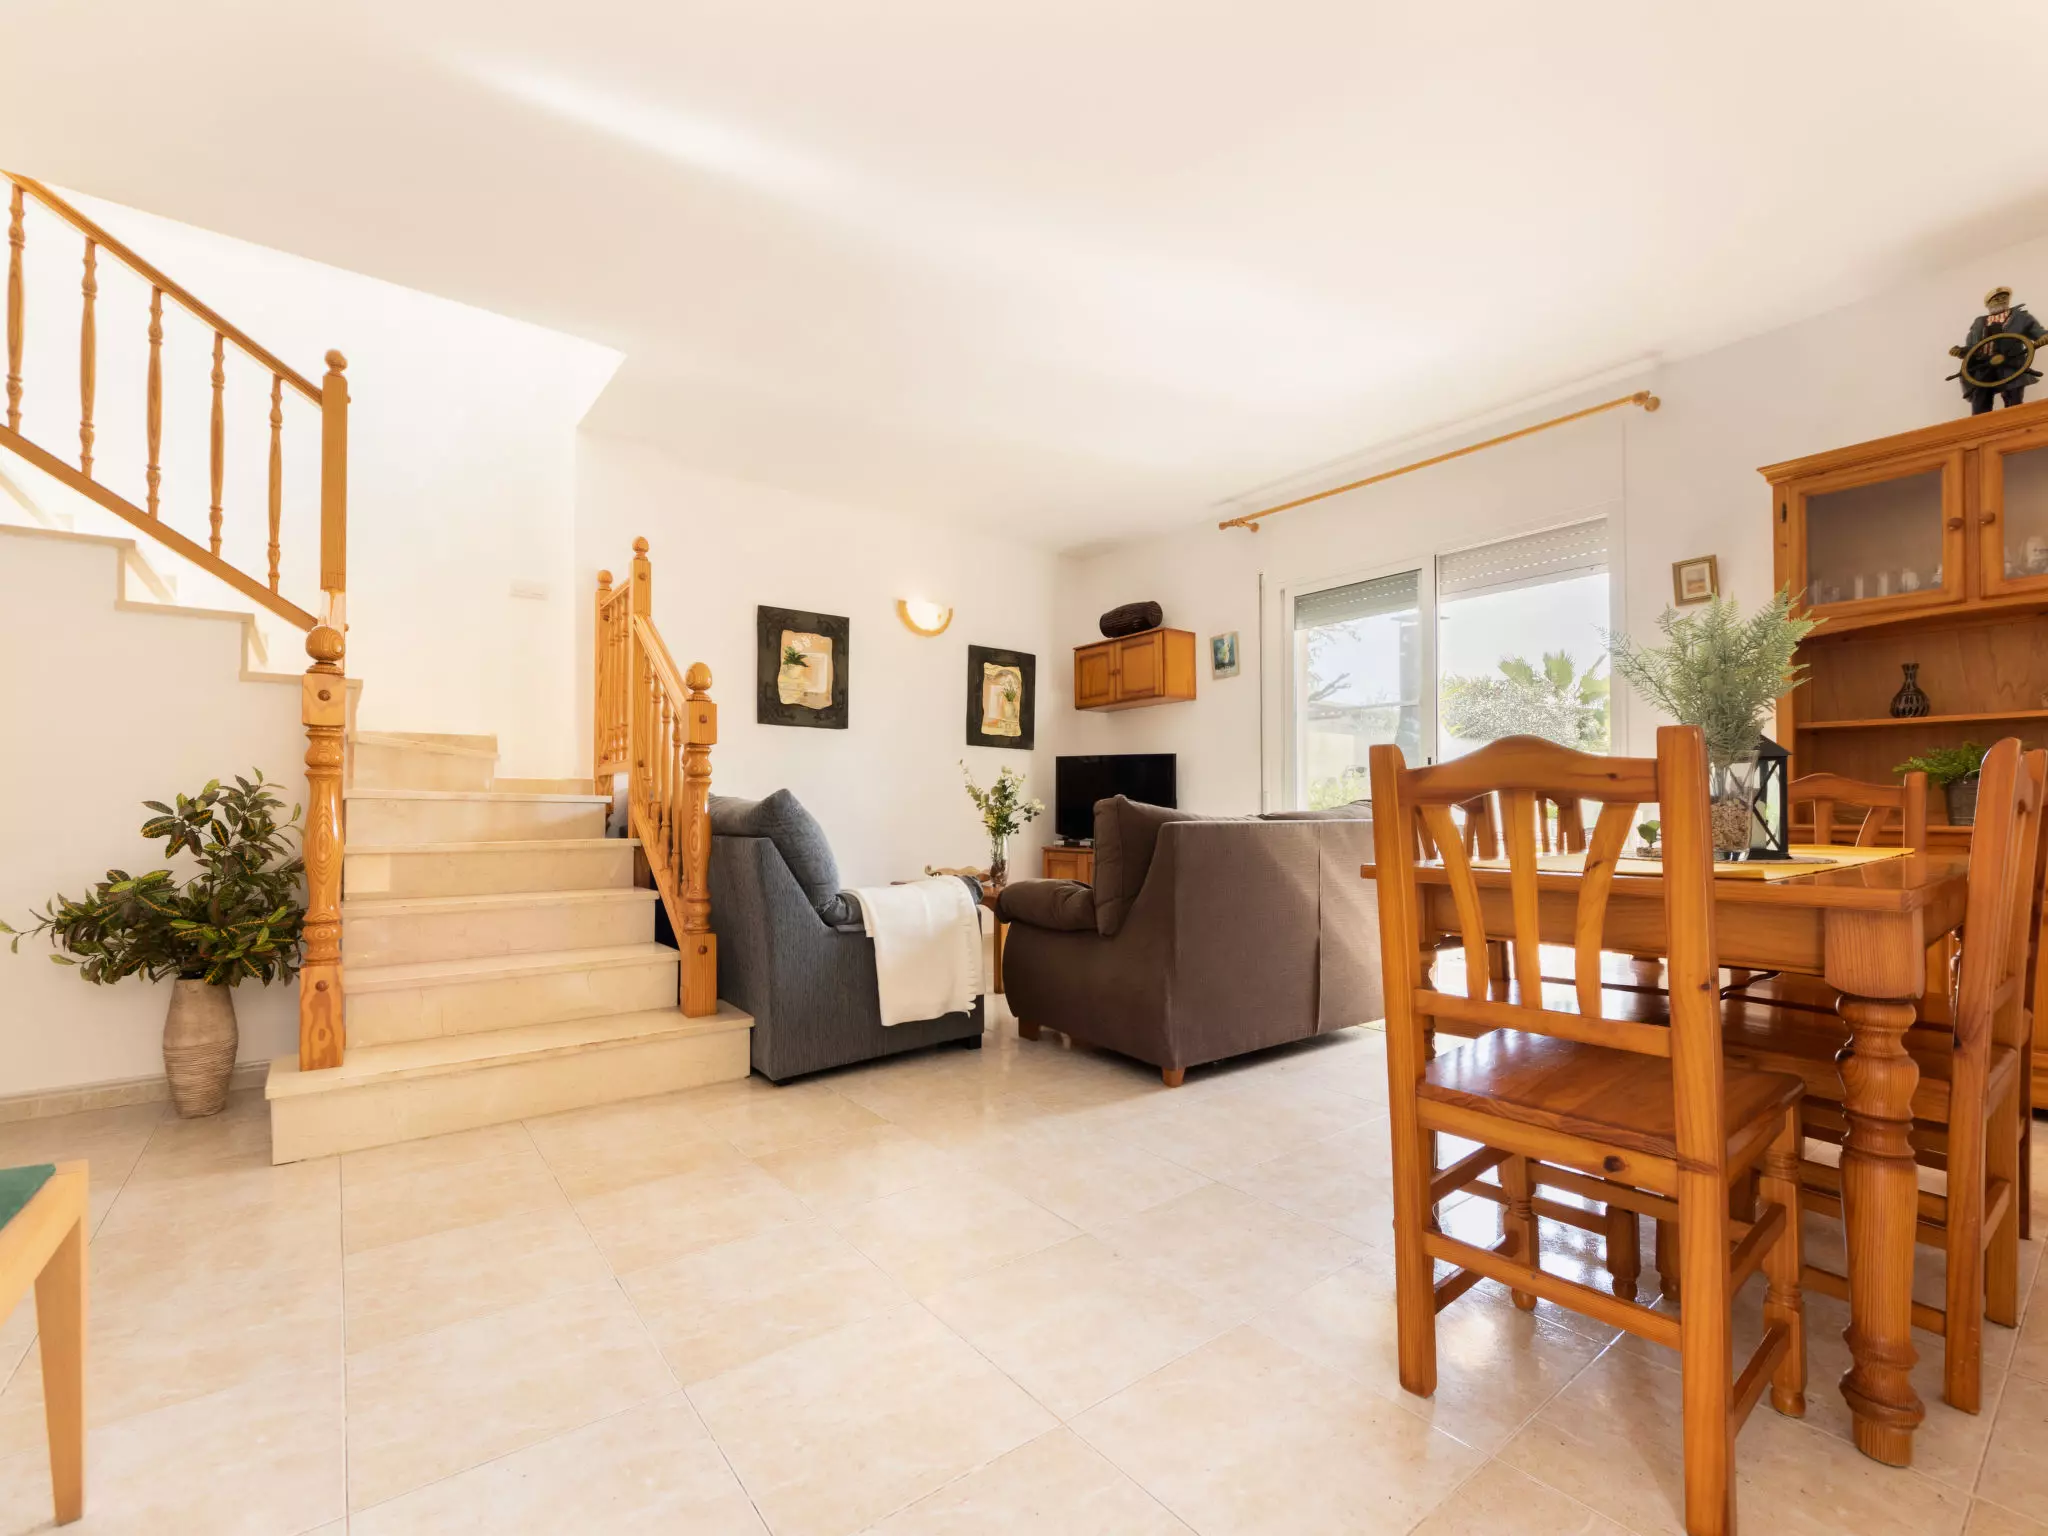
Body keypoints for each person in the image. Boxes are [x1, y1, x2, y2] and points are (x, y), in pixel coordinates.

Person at [1952, 285, 2046, 413]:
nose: (2001, 300)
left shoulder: (2020, 317)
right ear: (1988, 304)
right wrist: (1961, 351)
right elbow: (1972, 348)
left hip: (2011, 363)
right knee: (1980, 397)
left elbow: (2040, 333)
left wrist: (2043, 338)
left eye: (2004, 298)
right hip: (1984, 365)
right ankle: (1980, 422)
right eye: (1996, 299)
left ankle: (2015, 418)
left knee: (2014, 397)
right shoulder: (1979, 322)